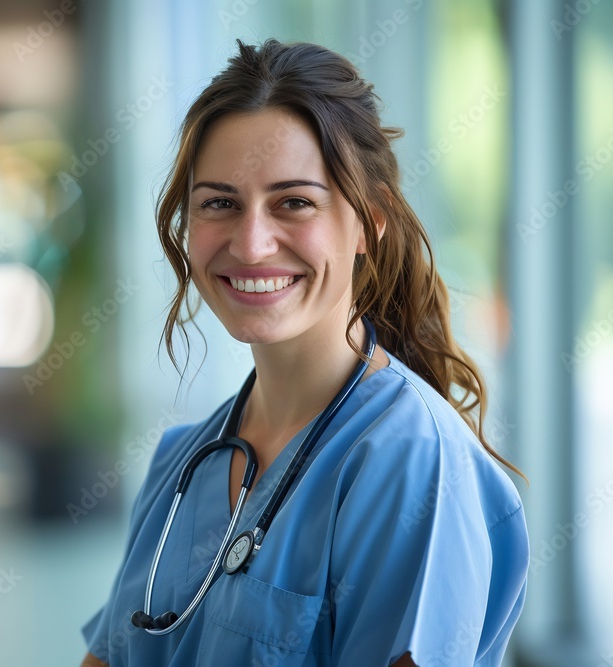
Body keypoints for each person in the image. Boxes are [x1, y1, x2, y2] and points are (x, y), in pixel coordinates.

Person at [80, 38, 528, 667]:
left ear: (369, 223)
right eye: (219, 203)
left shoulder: (410, 461)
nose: (253, 243)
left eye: (294, 202)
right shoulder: (180, 465)